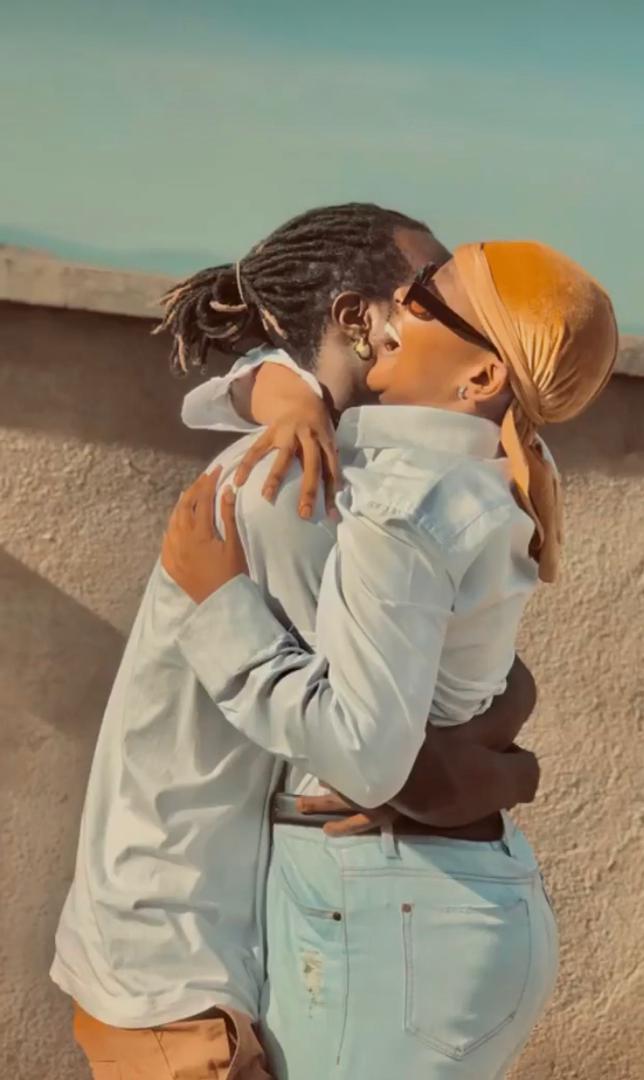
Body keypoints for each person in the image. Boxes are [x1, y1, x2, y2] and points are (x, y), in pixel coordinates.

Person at [50, 205, 538, 1080]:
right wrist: (501, 773)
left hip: (202, 946)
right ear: (361, 320)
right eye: (425, 290)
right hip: (185, 968)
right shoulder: (299, 488)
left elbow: (456, 693)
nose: (440, 304)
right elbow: (369, 753)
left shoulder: (350, 468)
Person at [162, 238, 618, 1078]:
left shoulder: (405, 505)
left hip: (391, 919)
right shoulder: (486, 466)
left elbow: (366, 756)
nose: (400, 298)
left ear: (480, 377)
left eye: (428, 297)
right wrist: (288, 394)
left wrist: (219, 604)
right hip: (445, 903)